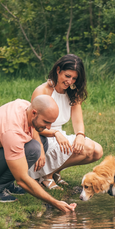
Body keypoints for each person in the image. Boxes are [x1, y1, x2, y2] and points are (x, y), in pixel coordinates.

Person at [0, 95, 76, 213]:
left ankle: (7, 184)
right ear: (34, 113)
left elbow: (35, 129)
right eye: (46, 122)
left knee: (41, 142)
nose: (48, 127)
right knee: (32, 149)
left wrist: (53, 135)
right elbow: (22, 179)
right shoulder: (12, 132)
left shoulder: (24, 105)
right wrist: (55, 203)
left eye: (51, 123)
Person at [27, 54, 103, 189]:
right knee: (89, 147)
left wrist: (80, 135)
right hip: (42, 137)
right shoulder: (43, 91)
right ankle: (46, 176)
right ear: (58, 70)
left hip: (59, 136)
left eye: (74, 78)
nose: (70, 81)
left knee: (97, 151)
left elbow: (78, 121)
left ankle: (54, 171)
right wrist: (50, 138)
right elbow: (32, 125)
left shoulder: (73, 92)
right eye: (67, 76)